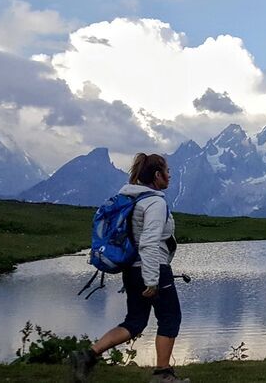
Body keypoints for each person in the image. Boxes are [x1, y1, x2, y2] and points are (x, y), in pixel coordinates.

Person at [71, 153, 188, 383]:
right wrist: (152, 280)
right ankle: (163, 374)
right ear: (157, 175)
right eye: (167, 171)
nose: (170, 175)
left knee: (135, 321)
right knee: (170, 317)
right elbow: (149, 242)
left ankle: (88, 355)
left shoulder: (129, 197)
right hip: (152, 268)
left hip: (131, 269)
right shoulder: (155, 202)